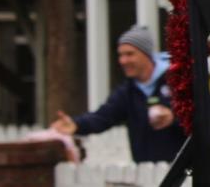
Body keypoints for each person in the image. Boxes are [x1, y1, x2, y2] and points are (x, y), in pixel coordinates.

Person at [51, 25, 185, 163]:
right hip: (147, 173)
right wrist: (76, 125)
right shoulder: (126, 92)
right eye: (120, 55)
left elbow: (202, 116)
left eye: (129, 54)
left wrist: (173, 118)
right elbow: (102, 117)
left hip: (184, 170)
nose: (123, 61)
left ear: (146, 54)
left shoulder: (178, 81)